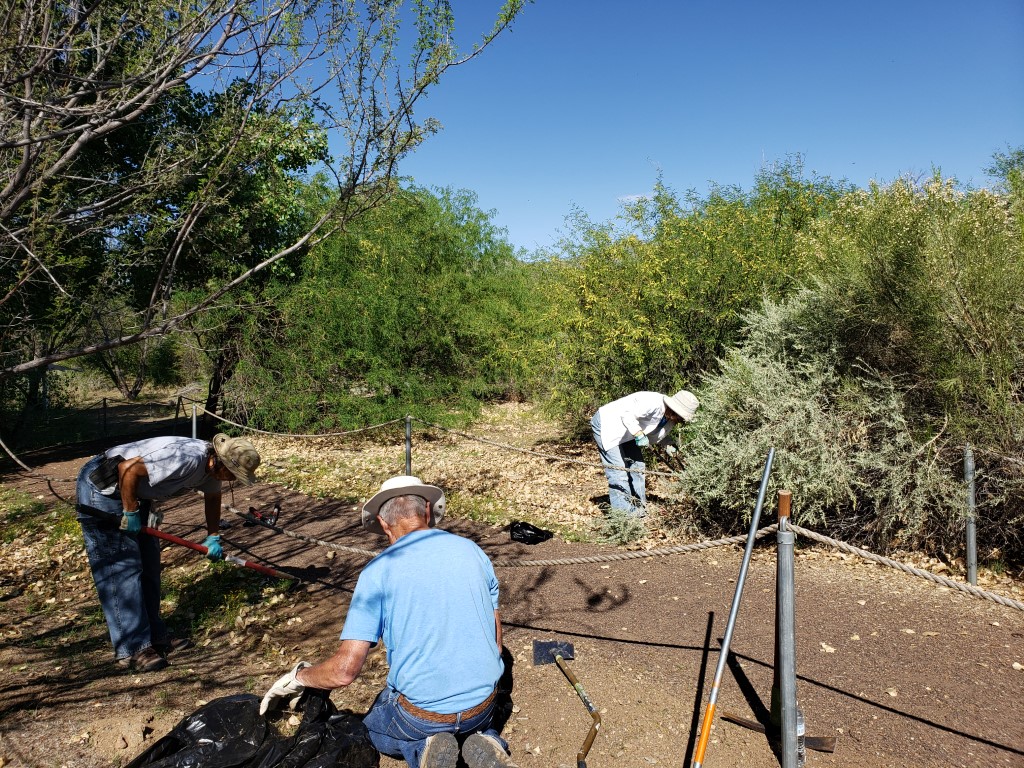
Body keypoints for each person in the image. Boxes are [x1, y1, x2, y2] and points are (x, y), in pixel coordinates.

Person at [260, 475, 516, 768]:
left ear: (383, 524)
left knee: (374, 728)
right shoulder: (473, 551)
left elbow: (344, 672)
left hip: (421, 719)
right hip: (483, 705)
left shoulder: (377, 572)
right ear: (428, 512)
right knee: (468, 716)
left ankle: (423, 750)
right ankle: (487, 738)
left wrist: (299, 676)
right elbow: (496, 644)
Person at [75, 433, 261, 672]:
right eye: (231, 475)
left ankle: (154, 634)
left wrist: (214, 536)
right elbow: (127, 468)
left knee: (150, 566)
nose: (230, 481)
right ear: (219, 462)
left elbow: (213, 497)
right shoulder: (185, 457)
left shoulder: (212, 470)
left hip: (135, 493)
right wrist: (130, 513)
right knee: (122, 568)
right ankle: (133, 648)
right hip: (104, 487)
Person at [591, 389, 699, 518]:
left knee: (638, 467)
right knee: (618, 471)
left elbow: (656, 434)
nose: (681, 420)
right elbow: (627, 415)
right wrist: (638, 434)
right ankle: (624, 517)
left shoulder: (670, 419)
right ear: (674, 409)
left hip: (628, 433)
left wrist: (668, 443)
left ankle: (638, 508)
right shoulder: (651, 401)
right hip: (608, 425)